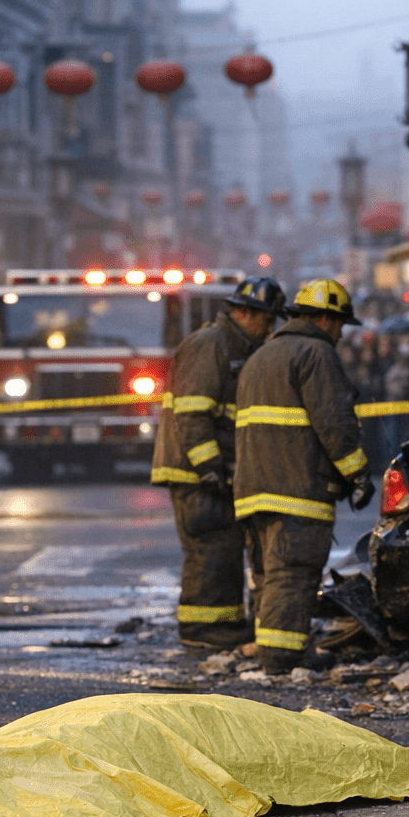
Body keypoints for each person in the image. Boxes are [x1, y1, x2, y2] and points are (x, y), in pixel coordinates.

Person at [233, 278, 372, 675]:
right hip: (296, 489)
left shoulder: (261, 355)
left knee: (267, 576)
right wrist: (358, 474)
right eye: (341, 325)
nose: (342, 334)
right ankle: (283, 658)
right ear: (326, 320)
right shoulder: (316, 353)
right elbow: (334, 423)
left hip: (252, 491)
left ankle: (273, 649)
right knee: (292, 574)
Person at [151, 275, 284, 650]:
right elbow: (192, 412)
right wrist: (209, 466)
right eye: (265, 318)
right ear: (243, 312)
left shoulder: (235, 346)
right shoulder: (211, 344)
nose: (269, 328)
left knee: (222, 547)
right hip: (194, 471)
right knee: (210, 546)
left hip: (211, 470)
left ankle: (220, 625)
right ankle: (202, 630)